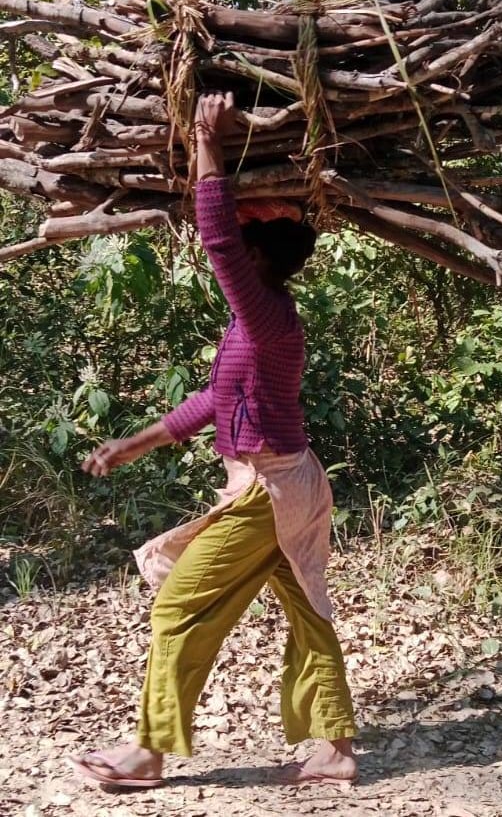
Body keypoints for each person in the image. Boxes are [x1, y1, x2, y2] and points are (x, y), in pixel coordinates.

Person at [71, 92, 357, 789]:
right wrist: (132, 443)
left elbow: (216, 236)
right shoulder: (258, 324)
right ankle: (336, 749)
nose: (232, 241)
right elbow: (213, 399)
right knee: (309, 612)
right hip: (283, 484)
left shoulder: (262, 313)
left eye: (245, 234)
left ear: (256, 257)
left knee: (177, 603)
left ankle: (148, 749)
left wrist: (206, 139)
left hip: (272, 489)